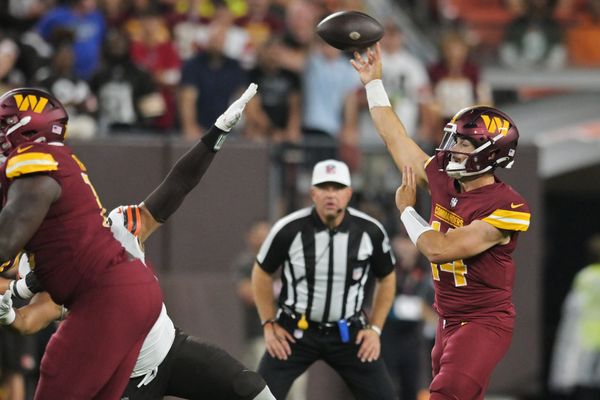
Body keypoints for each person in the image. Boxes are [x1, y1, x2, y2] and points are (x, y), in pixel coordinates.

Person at [0, 83, 277, 400]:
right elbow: (37, 315)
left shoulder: (119, 225)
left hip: (166, 349)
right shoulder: (54, 257)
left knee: (250, 388)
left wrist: (214, 137)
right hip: (123, 371)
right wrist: (11, 317)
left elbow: (176, 186)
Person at [351, 44, 532, 400]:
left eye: (464, 143)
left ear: (490, 154)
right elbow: (395, 137)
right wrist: (373, 83)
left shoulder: (507, 205)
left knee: (445, 394)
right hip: (446, 320)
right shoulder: (443, 179)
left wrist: (406, 210)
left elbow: (440, 249)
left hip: (483, 322)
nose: (453, 148)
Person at [0, 86, 161, 399]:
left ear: (28, 128)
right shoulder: (51, 166)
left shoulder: (36, 161)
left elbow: (5, 240)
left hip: (105, 294)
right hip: (124, 290)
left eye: (4, 124)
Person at [251, 159, 397, 400]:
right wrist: (268, 323)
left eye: (337, 188)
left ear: (349, 193)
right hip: (295, 330)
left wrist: (375, 329)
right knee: (258, 396)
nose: (331, 195)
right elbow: (261, 272)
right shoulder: (289, 229)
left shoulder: (369, 231)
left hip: (348, 331)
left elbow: (387, 276)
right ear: (312, 193)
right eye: (324, 187)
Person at [549, 234, 600, 400]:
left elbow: (573, 309)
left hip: (586, 337)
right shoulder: (586, 277)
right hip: (590, 337)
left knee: (586, 385)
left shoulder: (584, 276)